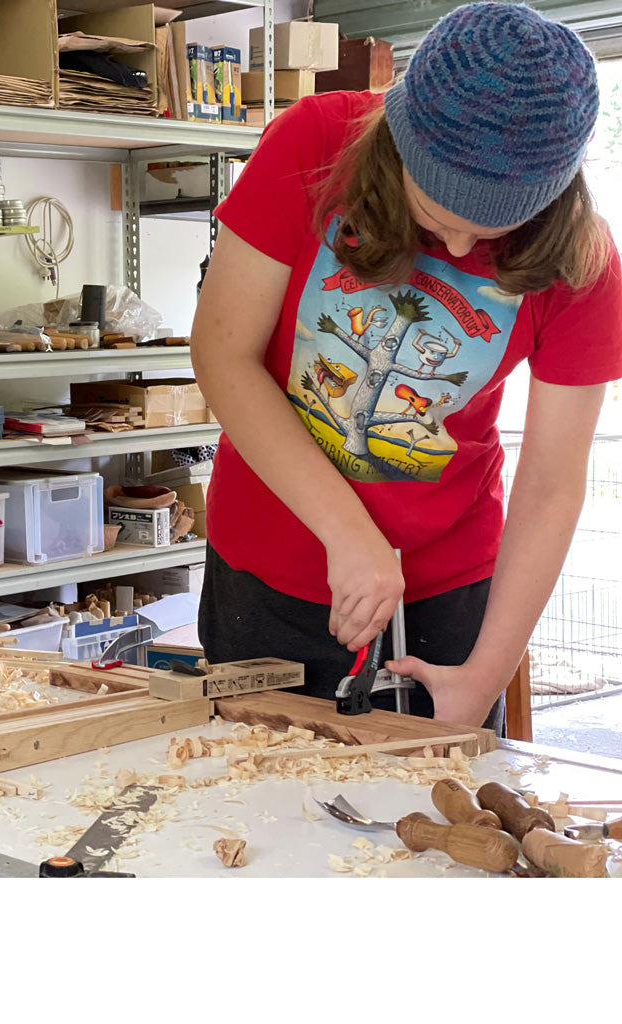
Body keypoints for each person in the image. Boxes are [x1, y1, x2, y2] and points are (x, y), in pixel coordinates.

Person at [191, 3, 622, 732]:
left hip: (447, 590)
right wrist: (349, 534)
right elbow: (222, 354)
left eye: (489, 230)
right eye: (436, 217)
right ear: (397, 153)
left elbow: (551, 487)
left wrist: (483, 676)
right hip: (266, 574)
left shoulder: (584, 262)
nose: (456, 251)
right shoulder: (314, 142)